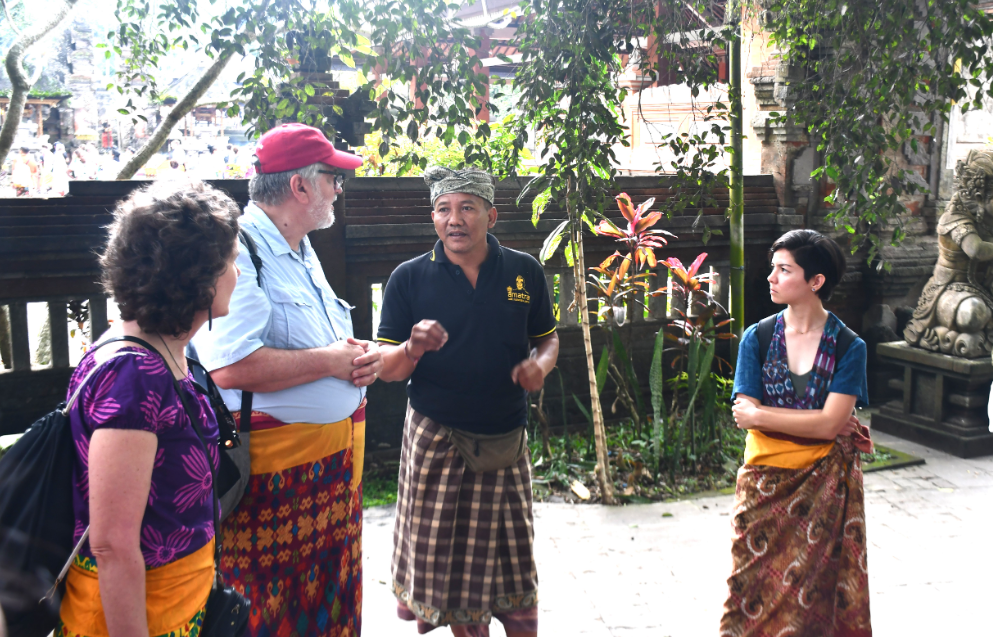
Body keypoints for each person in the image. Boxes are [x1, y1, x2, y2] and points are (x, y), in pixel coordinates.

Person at [191, 123, 380, 637]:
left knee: (331, 607)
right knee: (268, 615)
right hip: (274, 482)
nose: (339, 189)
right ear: (299, 187)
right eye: (332, 178)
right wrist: (331, 363)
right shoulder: (241, 253)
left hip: (329, 473)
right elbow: (230, 365)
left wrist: (351, 359)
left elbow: (315, 343)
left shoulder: (297, 245)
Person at [377, 166, 559, 637]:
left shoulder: (524, 271)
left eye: (466, 208)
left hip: (506, 436)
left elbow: (548, 340)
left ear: (491, 215)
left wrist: (539, 364)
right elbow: (387, 369)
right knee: (450, 562)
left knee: (513, 559)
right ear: (434, 218)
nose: (454, 219)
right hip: (437, 438)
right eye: (443, 209)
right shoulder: (409, 279)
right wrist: (412, 347)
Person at [57, 179, 242, 637]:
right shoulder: (135, 377)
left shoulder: (163, 351)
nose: (237, 274)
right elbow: (113, 544)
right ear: (198, 274)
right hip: (138, 616)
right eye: (232, 261)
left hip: (178, 600)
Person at [720, 229, 872, 636]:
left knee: (818, 590)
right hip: (763, 483)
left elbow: (828, 425)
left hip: (826, 487)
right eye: (773, 268)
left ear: (815, 281)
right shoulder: (758, 337)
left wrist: (762, 415)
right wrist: (812, 422)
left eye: (784, 269)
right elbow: (742, 413)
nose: (770, 277)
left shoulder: (848, 346)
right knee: (748, 587)